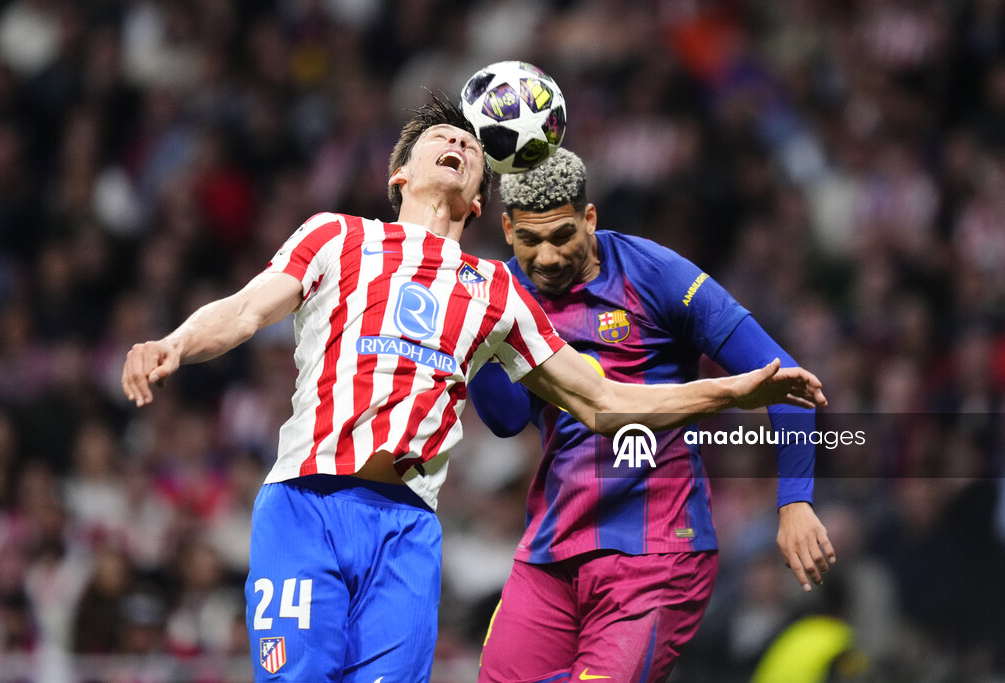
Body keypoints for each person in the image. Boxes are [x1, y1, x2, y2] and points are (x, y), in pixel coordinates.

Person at [120, 98, 826, 683]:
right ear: (400, 175)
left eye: (467, 142)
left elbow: (603, 400)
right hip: (307, 503)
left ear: (483, 200)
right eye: (439, 138)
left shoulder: (495, 292)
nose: (457, 141)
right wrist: (174, 343)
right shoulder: (335, 237)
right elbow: (245, 309)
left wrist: (730, 394)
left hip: (408, 528)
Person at [469, 148, 837, 683]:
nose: (546, 257)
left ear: (589, 218)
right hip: (551, 550)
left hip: (658, 551)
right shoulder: (500, 292)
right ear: (507, 229)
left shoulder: (656, 274)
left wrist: (795, 501)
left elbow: (785, 383)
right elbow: (506, 419)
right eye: (530, 240)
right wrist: (481, 340)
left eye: (562, 236)